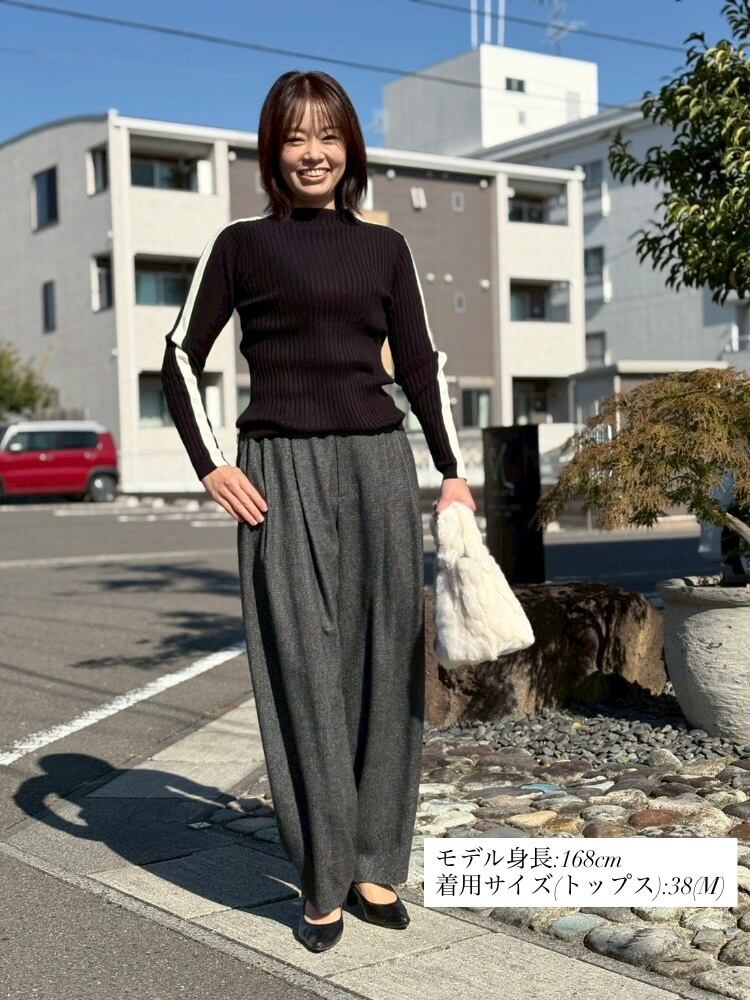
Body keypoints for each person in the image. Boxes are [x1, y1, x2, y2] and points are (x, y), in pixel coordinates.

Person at [161, 69, 476, 953]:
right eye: (296, 137)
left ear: (350, 149)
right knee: (302, 667)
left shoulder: (386, 249)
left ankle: (376, 863)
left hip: (379, 465)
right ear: (273, 151)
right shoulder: (241, 246)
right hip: (278, 471)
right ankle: (321, 871)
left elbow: (421, 364)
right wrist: (211, 462)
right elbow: (179, 354)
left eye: (328, 136)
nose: (314, 153)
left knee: (386, 663)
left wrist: (452, 471)